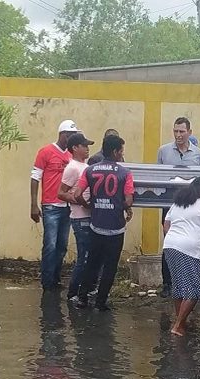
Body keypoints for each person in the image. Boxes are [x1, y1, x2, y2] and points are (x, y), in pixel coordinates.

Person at [72, 135, 134, 311]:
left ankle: (82, 299)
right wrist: (119, 205)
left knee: (91, 263)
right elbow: (129, 201)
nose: (122, 154)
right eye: (121, 151)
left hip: (96, 227)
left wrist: (89, 205)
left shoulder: (90, 170)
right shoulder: (125, 173)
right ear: (115, 151)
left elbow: (77, 194)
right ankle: (101, 301)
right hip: (115, 229)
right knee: (109, 267)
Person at [163, 177, 200, 336]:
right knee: (195, 290)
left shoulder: (178, 202)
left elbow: (166, 225)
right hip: (190, 249)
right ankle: (178, 325)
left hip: (170, 246)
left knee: (179, 288)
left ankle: (181, 324)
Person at [156, 117, 200, 298]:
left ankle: (189, 282)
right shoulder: (163, 151)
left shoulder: (199, 155)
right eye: (176, 131)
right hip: (170, 205)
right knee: (169, 242)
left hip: (191, 206)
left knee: (191, 242)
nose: (178, 135)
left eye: (182, 131)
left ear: (189, 133)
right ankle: (167, 283)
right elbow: (158, 178)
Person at [31, 119, 80, 290]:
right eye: (70, 136)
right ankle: (47, 281)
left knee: (62, 246)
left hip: (67, 207)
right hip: (51, 206)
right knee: (50, 245)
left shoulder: (71, 156)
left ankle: (56, 278)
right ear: (62, 135)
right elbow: (35, 177)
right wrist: (33, 204)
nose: (72, 139)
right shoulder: (45, 152)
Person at [57, 132, 95, 300]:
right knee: (84, 257)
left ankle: (85, 289)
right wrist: (81, 201)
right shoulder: (72, 168)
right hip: (80, 218)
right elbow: (61, 193)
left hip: (88, 217)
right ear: (75, 148)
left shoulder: (84, 167)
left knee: (89, 256)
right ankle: (74, 292)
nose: (87, 149)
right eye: (84, 146)